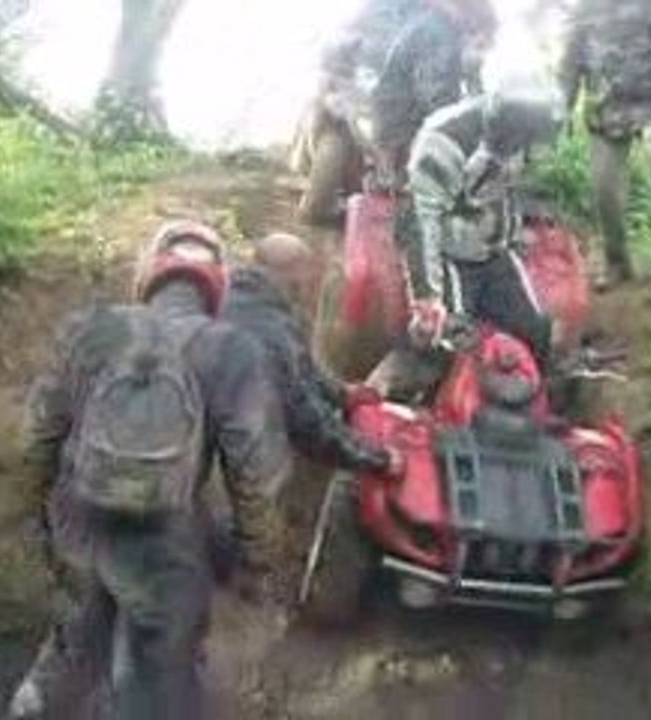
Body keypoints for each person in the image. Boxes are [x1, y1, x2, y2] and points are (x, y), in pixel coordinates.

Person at [9, 222, 294, 720]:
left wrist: (38, 524)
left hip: (78, 524)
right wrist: (255, 562)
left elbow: (36, 441)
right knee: (162, 675)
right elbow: (258, 478)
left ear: (149, 274)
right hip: (167, 541)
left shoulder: (90, 330)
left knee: (71, 646)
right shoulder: (232, 349)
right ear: (216, 285)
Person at [368, 85, 563, 401]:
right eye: (523, 138)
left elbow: (508, 186)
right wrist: (427, 300)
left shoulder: (522, 136)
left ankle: (538, 411)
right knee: (442, 341)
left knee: (536, 331)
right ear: (505, 123)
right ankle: (384, 400)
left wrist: (520, 224)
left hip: (494, 249)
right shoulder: (443, 143)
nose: (526, 147)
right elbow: (419, 221)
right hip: (449, 251)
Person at [294, 0, 496, 223]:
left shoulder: (449, 27)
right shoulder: (399, 16)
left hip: (399, 106)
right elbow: (342, 40)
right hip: (370, 94)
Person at [222, 232, 398, 474]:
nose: (310, 284)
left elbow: (304, 371)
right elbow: (306, 420)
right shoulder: (274, 330)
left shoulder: (232, 300)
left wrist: (342, 394)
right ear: (293, 272)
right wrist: (378, 459)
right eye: (307, 274)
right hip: (232, 456)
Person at [559, 0, 651, 288]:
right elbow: (570, 65)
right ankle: (617, 264)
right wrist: (561, 110)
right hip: (606, 112)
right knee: (604, 188)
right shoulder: (584, 11)